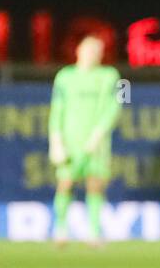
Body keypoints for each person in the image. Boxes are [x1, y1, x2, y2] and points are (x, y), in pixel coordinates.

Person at [48, 36, 121, 244]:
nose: (91, 55)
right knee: (65, 183)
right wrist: (56, 140)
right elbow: (56, 109)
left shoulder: (111, 76)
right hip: (71, 139)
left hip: (97, 143)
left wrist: (99, 133)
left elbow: (116, 106)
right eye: (88, 50)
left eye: (96, 52)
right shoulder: (64, 77)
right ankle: (60, 229)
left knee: (96, 184)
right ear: (78, 51)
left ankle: (94, 232)